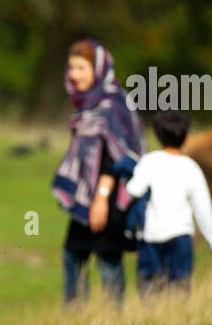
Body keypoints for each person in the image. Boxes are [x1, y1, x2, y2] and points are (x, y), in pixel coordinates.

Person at [51, 39, 146, 306]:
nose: (73, 74)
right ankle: (76, 320)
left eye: (81, 67)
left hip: (110, 197)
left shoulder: (111, 103)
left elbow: (115, 156)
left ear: (99, 68)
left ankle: (113, 322)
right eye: (71, 67)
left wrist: (102, 198)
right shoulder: (88, 103)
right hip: (87, 197)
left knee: (107, 257)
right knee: (73, 253)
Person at [125, 110, 212, 294]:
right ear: (185, 137)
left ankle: (152, 320)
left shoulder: (150, 161)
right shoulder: (191, 167)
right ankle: (175, 318)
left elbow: (133, 190)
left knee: (150, 284)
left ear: (158, 135)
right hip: (180, 236)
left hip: (151, 236)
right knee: (179, 284)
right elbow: (203, 209)